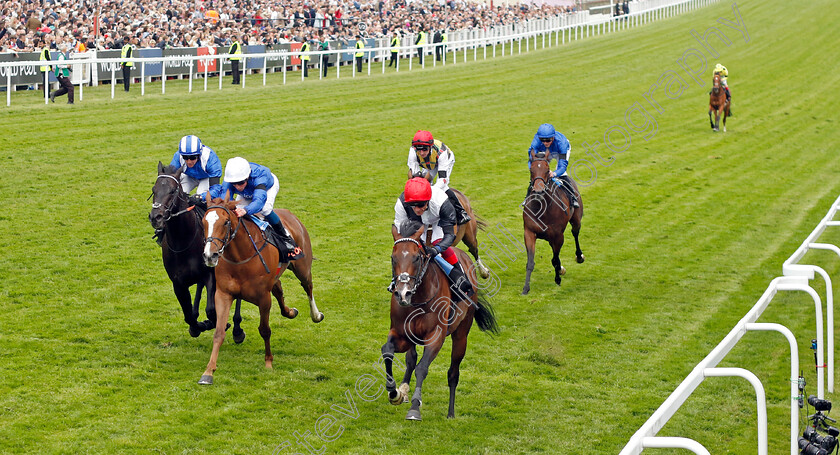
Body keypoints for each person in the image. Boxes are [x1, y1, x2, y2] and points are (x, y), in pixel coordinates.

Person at [206, 157, 303, 262]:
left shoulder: (260, 177)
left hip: (267, 188)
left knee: (265, 210)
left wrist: (246, 210)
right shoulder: (229, 180)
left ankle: (285, 236)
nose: (237, 187)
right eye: (234, 184)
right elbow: (225, 200)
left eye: (240, 183)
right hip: (247, 192)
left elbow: (259, 201)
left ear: (247, 177)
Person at [393, 177, 474, 301]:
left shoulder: (441, 202)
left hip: (438, 223)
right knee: (407, 252)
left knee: (438, 248)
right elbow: (400, 235)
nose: (416, 209)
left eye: (420, 205)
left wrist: (436, 249)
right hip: (415, 224)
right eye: (412, 205)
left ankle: (460, 277)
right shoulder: (402, 203)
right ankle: (397, 281)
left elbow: (450, 235)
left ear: (428, 200)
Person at [407, 130, 471, 225]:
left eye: (424, 149)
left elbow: (443, 180)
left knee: (442, 188)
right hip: (428, 165)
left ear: (430, 147)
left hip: (444, 162)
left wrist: (430, 191)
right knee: (420, 185)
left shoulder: (442, 153)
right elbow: (415, 175)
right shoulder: (412, 151)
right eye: (419, 149)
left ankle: (461, 212)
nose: (421, 153)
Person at [526, 123, 579, 207]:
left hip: (559, 151)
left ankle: (573, 197)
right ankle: (527, 198)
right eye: (542, 140)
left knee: (562, 174)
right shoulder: (536, 143)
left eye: (548, 140)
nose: (545, 142)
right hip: (544, 151)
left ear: (553, 137)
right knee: (537, 173)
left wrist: (554, 173)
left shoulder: (562, 144)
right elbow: (531, 161)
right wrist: (534, 171)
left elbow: (562, 166)